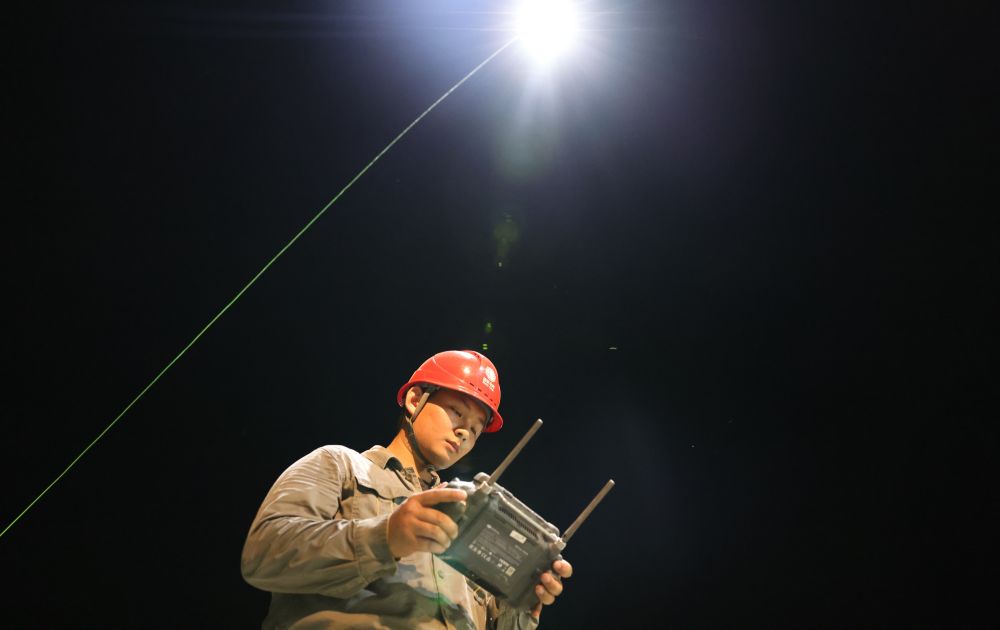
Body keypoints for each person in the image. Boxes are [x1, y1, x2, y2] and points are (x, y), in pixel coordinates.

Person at [241, 350, 573, 629]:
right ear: (415, 400)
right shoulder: (340, 465)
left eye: (475, 429)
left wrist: (521, 605)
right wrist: (385, 537)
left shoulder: (468, 520)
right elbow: (264, 553)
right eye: (457, 412)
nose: (464, 432)